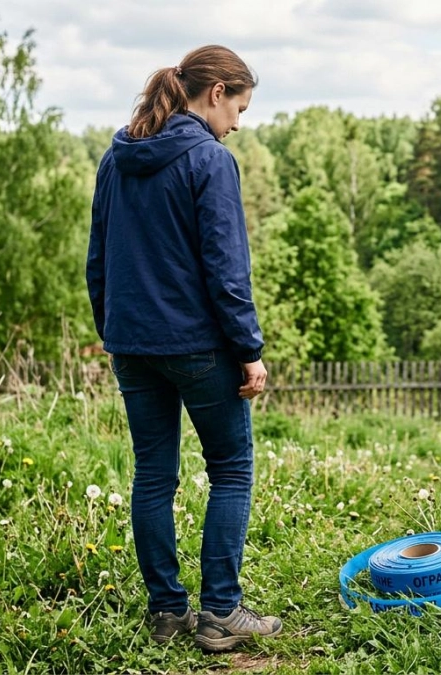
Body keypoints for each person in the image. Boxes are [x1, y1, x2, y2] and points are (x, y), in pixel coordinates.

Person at [86, 44, 280, 653]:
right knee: (230, 469)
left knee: (152, 475)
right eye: (239, 108)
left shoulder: (115, 161)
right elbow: (227, 270)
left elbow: (98, 262)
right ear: (215, 91)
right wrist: (248, 348)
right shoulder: (208, 161)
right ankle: (221, 612)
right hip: (197, 346)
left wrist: (114, 330)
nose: (238, 124)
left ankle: (167, 612)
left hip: (132, 344)